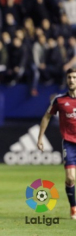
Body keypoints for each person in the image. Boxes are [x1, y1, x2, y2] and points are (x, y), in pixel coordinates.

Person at [37, 68, 76, 220]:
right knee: (71, 178)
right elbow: (46, 117)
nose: (72, 80)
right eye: (69, 78)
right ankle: (73, 208)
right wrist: (40, 138)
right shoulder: (59, 100)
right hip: (69, 143)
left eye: (74, 77)